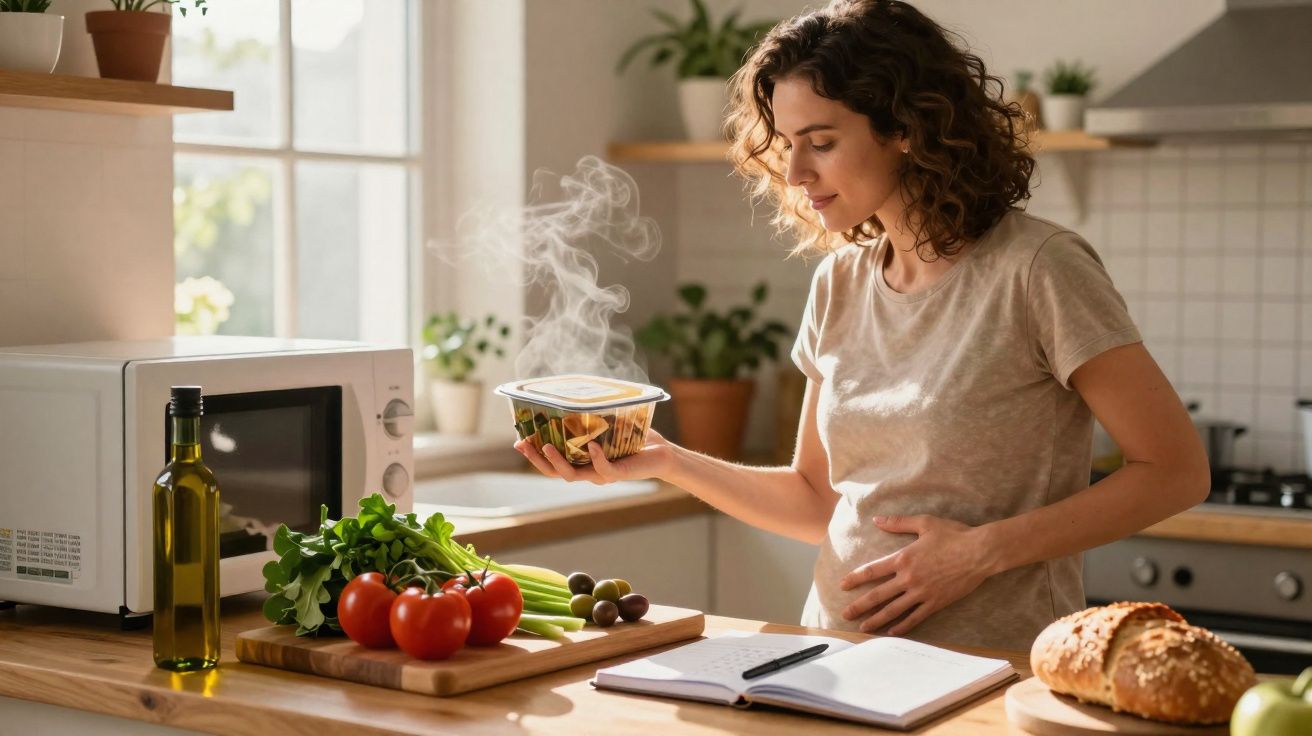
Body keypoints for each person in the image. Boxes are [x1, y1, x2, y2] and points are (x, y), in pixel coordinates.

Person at [514, 0, 1209, 652]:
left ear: (906, 128)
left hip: (986, 675)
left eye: (820, 141)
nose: (794, 171)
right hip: (831, 662)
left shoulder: (1038, 269)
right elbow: (817, 501)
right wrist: (667, 460)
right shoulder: (840, 283)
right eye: (787, 143)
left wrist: (979, 553)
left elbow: (1176, 470)